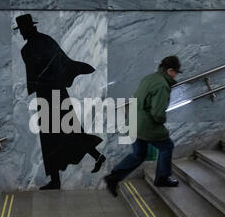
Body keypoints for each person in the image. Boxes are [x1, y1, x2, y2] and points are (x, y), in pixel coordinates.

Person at [15, 14, 106, 190]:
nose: (22, 34)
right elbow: (58, 64)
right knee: (63, 132)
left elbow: (55, 65)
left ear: (28, 28)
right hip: (52, 94)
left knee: (55, 135)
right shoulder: (37, 45)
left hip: (50, 95)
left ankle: (58, 179)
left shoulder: (32, 47)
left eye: (22, 30)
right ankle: (93, 158)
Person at [103, 56, 182, 197]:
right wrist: (162, 123)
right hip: (145, 124)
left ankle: (113, 177)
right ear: (170, 70)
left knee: (138, 154)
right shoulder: (162, 85)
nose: (176, 75)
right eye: (176, 72)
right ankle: (162, 178)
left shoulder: (150, 78)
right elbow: (157, 113)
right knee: (167, 146)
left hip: (133, 120)